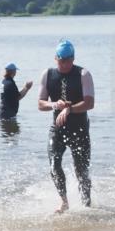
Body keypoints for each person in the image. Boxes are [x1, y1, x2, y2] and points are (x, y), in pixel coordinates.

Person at [38, 40, 95, 213]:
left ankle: (86, 204)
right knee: (54, 165)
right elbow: (41, 104)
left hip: (79, 128)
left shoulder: (83, 74)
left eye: (69, 60)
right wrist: (55, 105)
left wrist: (69, 109)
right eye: (61, 60)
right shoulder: (47, 74)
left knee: (81, 171)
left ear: (73, 58)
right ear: (56, 58)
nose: (65, 64)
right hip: (58, 128)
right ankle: (64, 202)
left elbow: (89, 103)